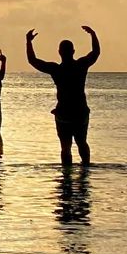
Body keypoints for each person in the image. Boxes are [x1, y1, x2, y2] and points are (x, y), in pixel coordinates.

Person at [27, 24, 100, 167]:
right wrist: (93, 34)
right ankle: (85, 170)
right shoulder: (80, 65)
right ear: (73, 51)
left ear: (59, 52)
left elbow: (33, 61)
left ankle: (67, 177)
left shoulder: (56, 69)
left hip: (64, 113)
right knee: (82, 142)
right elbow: (96, 52)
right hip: (79, 111)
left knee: (65, 147)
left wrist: (28, 42)